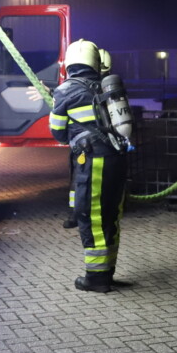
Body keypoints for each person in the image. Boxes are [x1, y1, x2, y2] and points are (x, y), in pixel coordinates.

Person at [50, 39, 131, 292]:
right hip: (118, 159)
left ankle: (96, 278)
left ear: (69, 63)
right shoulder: (105, 86)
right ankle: (108, 271)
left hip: (93, 161)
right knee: (110, 216)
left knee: (91, 217)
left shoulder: (64, 91)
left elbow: (58, 133)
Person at [62, 48, 112, 229]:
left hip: (84, 147)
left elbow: (66, 112)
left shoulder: (73, 88)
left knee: (79, 180)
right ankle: (82, 212)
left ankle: (77, 213)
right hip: (109, 148)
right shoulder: (109, 88)